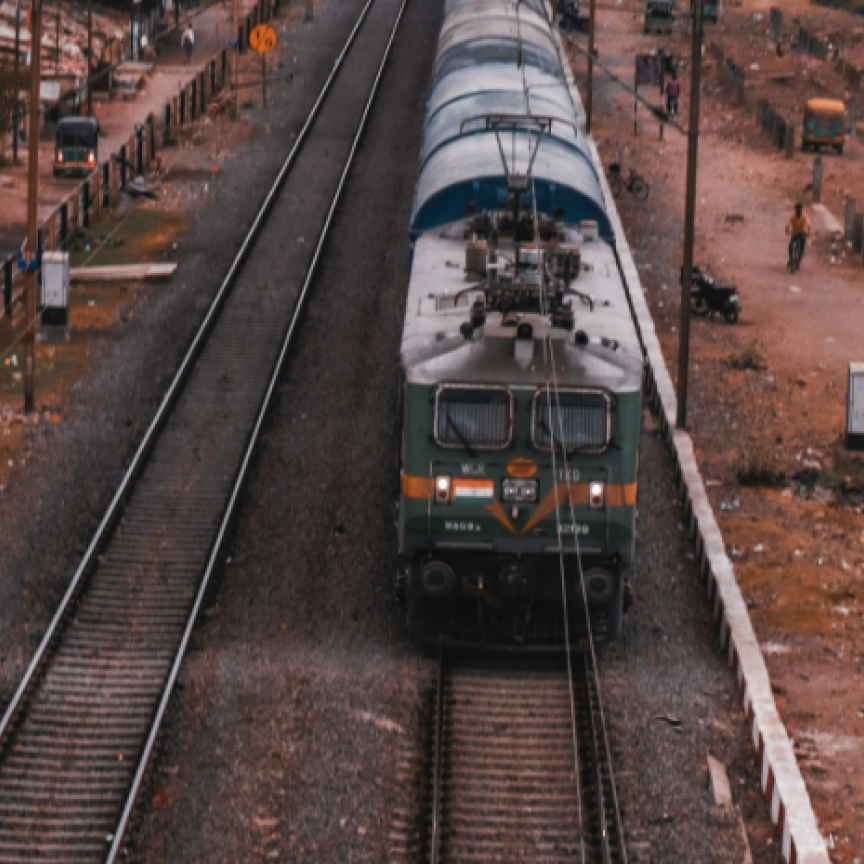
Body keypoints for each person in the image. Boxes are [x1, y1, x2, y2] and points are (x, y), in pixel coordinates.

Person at [786, 202, 811, 268]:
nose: (799, 211)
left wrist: (808, 231)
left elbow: (808, 225)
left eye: (800, 209)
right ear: (795, 210)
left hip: (802, 232)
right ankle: (791, 258)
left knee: (802, 239)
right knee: (790, 245)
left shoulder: (804, 216)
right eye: (797, 209)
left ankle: (800, 256)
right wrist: (787, 229)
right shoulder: (792, 217)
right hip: (794, 233)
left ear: (801, 210)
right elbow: (788, 224)